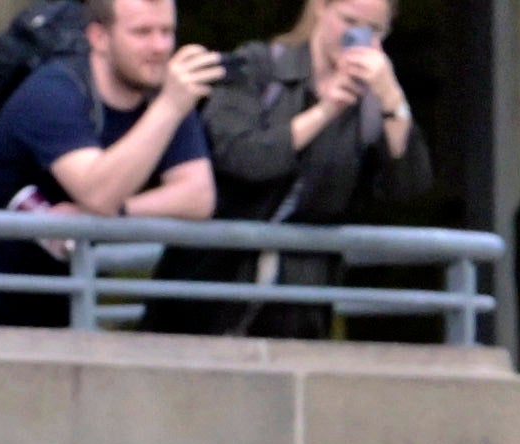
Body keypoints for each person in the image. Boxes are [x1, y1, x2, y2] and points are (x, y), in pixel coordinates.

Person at [0, 0, 212, 323]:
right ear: (98, 37)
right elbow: (98, 192)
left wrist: (119, 211)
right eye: (142, 33)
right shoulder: (55, 89)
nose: (159, 47)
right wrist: (169, 107)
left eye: (167, 32)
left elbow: (197, 195)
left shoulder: (166, 97)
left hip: (42, 280)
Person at [181, 0, 426, 336]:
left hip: (300, 303)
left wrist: (392, 98)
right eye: (349, 21)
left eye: (374, 30)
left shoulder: (371, 103)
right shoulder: (258, 67)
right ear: (319, 9)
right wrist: (325, 111)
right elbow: (242, 157)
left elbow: (408, 188)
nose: (357, 37)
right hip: (212, 287)